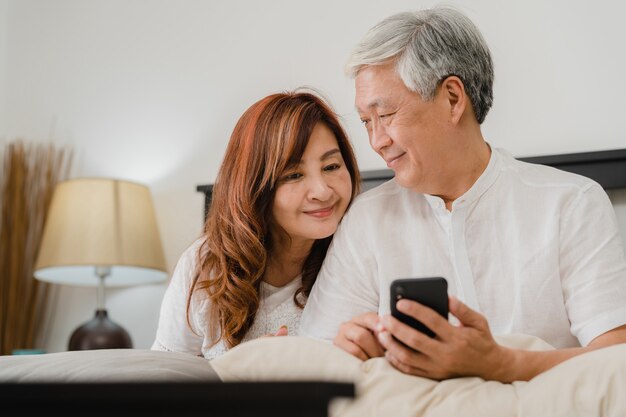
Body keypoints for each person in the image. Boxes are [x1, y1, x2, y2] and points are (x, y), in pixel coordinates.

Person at [299, 7, 626, 382]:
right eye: (366, 122)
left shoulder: (571, 204)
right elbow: (318, 359)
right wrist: (353, 349)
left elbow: (616, 357)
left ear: (453, 99)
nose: (376, 141)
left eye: (385, 114)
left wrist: (503, 365)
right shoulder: (366, 219)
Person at [152, 91, 360, 359]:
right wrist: (241, 372)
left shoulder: (362, 250)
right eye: (294, 175)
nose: (321, 191)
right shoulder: (206, 265)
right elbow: (165, 378)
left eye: (331, 166)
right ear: (254, 187)